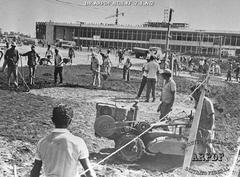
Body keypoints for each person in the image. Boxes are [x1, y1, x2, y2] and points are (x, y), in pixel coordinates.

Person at [30, 104, 96, 177]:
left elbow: (35, 172)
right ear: (70, 121)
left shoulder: (42, 142)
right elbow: (90, 173)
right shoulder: (78, 142)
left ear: (52, 120)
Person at [190, 84, 215, 154]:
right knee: (200, 141)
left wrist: (210, 128)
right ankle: (202, 154)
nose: (193, 96)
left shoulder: (207, 102)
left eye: (194, 94)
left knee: (207, 142)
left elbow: (212, 116)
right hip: (199, 124)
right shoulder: (197, 101)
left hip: (207, 125)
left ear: (198, 93)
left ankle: (212, 155)